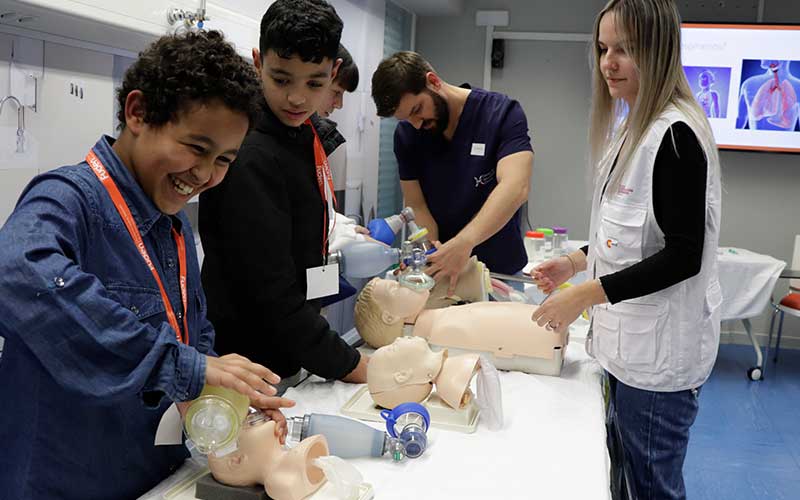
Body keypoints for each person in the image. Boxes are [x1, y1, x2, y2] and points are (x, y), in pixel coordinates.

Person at [0, 31, 294, 499]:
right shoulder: (69, 199)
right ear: (137, 113)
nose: (204, 175)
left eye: (223, 160)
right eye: (196, 148)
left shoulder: (171, 228)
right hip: (66, 480)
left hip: (153, 475)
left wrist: (230, 393)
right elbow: (16, 272)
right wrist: (184, 367)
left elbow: (190, 343)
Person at [530, 1, 722, 499]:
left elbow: (683, 254)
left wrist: (585, 294)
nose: (608, 63)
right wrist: (575, 261)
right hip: (628, 349)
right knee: (623, 479)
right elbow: (633, 234)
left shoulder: (674, 135)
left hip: (657, 364)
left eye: (625, 50)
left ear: (658, 51)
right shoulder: (633, 126)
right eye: (603, 49)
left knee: (651, 487)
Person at [199, 0, 368, 383]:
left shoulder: (301, 131)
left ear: (333, 72)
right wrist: (351, 365)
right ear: (258, 62)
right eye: (281, 79)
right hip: (248, 365)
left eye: (315, 83)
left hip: (288, 351)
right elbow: (271, 296)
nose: (297, 98)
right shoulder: (249, 153)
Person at [371, 51, 534, 292]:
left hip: (501, 273)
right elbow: (418, 205)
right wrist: (429, 252)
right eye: (406, 118)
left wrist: (464, 243)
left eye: (417, 110)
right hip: (445, 274)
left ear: (434, 81)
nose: (416, 124)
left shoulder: (501, 113)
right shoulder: (408, 135)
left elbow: (515, 187)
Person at [354, 277, 567, 377]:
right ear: (390, 317)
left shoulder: (434, 321)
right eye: (395, 288)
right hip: (545, 340)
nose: (403, 282)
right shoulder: (433, 336)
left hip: (546, 335)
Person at [208, 415, 329, 500]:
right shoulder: (279, 483)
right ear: (238, 460)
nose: (254, 416)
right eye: (249, 423)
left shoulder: (300, 453)